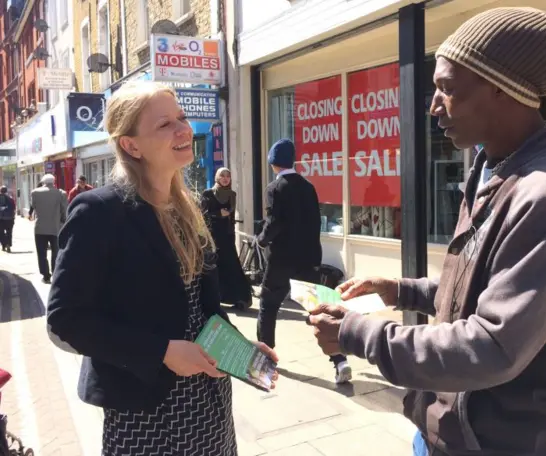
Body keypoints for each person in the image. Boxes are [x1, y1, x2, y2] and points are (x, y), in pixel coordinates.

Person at [308, 8, 546, 456]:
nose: (433, 106)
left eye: (448, 88)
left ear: (503, 90)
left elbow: (492, 344)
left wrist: (360, 335)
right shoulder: (488, 168)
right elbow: (479, 288)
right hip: (443, 433)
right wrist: (403, 290)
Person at [46, 81, 278, 456]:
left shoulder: (189, 208)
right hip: (145, 409)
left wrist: (236, 349)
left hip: (208, 401)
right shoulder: (99, 212)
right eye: (165, 124)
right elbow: (65, 319)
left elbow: (205, 307)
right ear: (131, 145)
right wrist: (162, 351)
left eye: (182, 118)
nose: (183, 129)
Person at [257, 138, 352, 384]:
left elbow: (274, 222)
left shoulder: (275, 188)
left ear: (272, 163)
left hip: (281, 259)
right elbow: (314, 222)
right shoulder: (308, 186)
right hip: (308, 257)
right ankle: (340, 359)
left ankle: (265, 360)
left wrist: (261, 239)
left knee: (268, 305)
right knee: (317, 308)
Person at [200, 167, 252, 310]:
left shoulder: (232, 195)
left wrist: (231, 233)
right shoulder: (208, 194)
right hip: (212, 235)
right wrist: (218, 214)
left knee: (231, 265)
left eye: (228, 176)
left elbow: (231, 216)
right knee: (215, 266)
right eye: (222, 175)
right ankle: (215, 298)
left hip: (227, 236)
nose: (225, 178)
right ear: (217, 177)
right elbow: (202, 215)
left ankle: (240, 298)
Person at [30, 174, 67, 283]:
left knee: (41, 253)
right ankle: (55, 273)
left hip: (40, 228)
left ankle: (46, 275)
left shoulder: (35, 192)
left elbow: (34, 206)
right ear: (54, 182)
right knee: (56, 252)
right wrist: (62, 220)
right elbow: (64, 210)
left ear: (43, 182)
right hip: (55, 228)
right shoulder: (61, 193)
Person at [0, 186, 16, 253]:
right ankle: (8, 244)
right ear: (6, 191)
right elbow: (14, 208)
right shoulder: (11, 199)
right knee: (9, 232)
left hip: (1, 218)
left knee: (1, 233)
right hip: (10, 218)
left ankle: (4, 244)